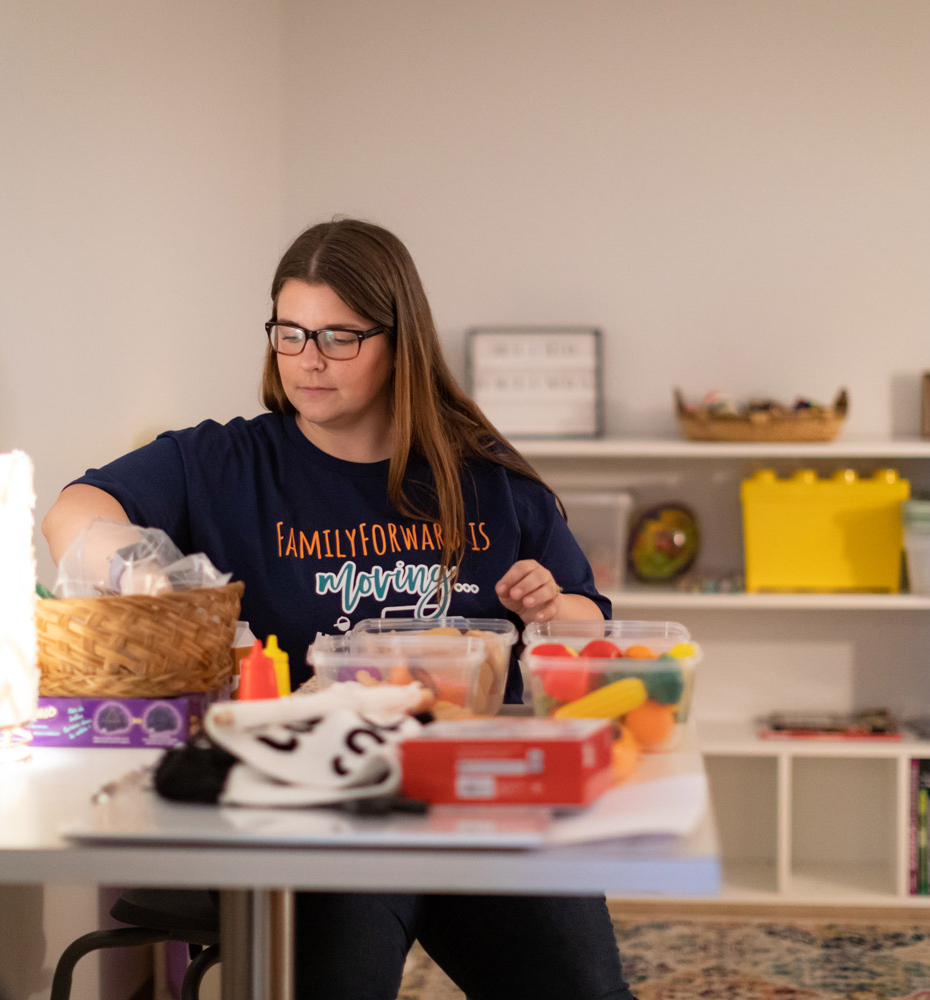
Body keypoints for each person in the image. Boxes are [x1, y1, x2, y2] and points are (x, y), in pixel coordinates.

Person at [42, 217, 635, 999]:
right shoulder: (226, 463)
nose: (307, 360)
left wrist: (553, 609)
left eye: (337, 338)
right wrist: (136, 568)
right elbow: (70, 512)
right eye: (289, 332)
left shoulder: (484, 478)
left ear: (400, 344)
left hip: (473, 804)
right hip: (315, 809)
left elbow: (590, 625)